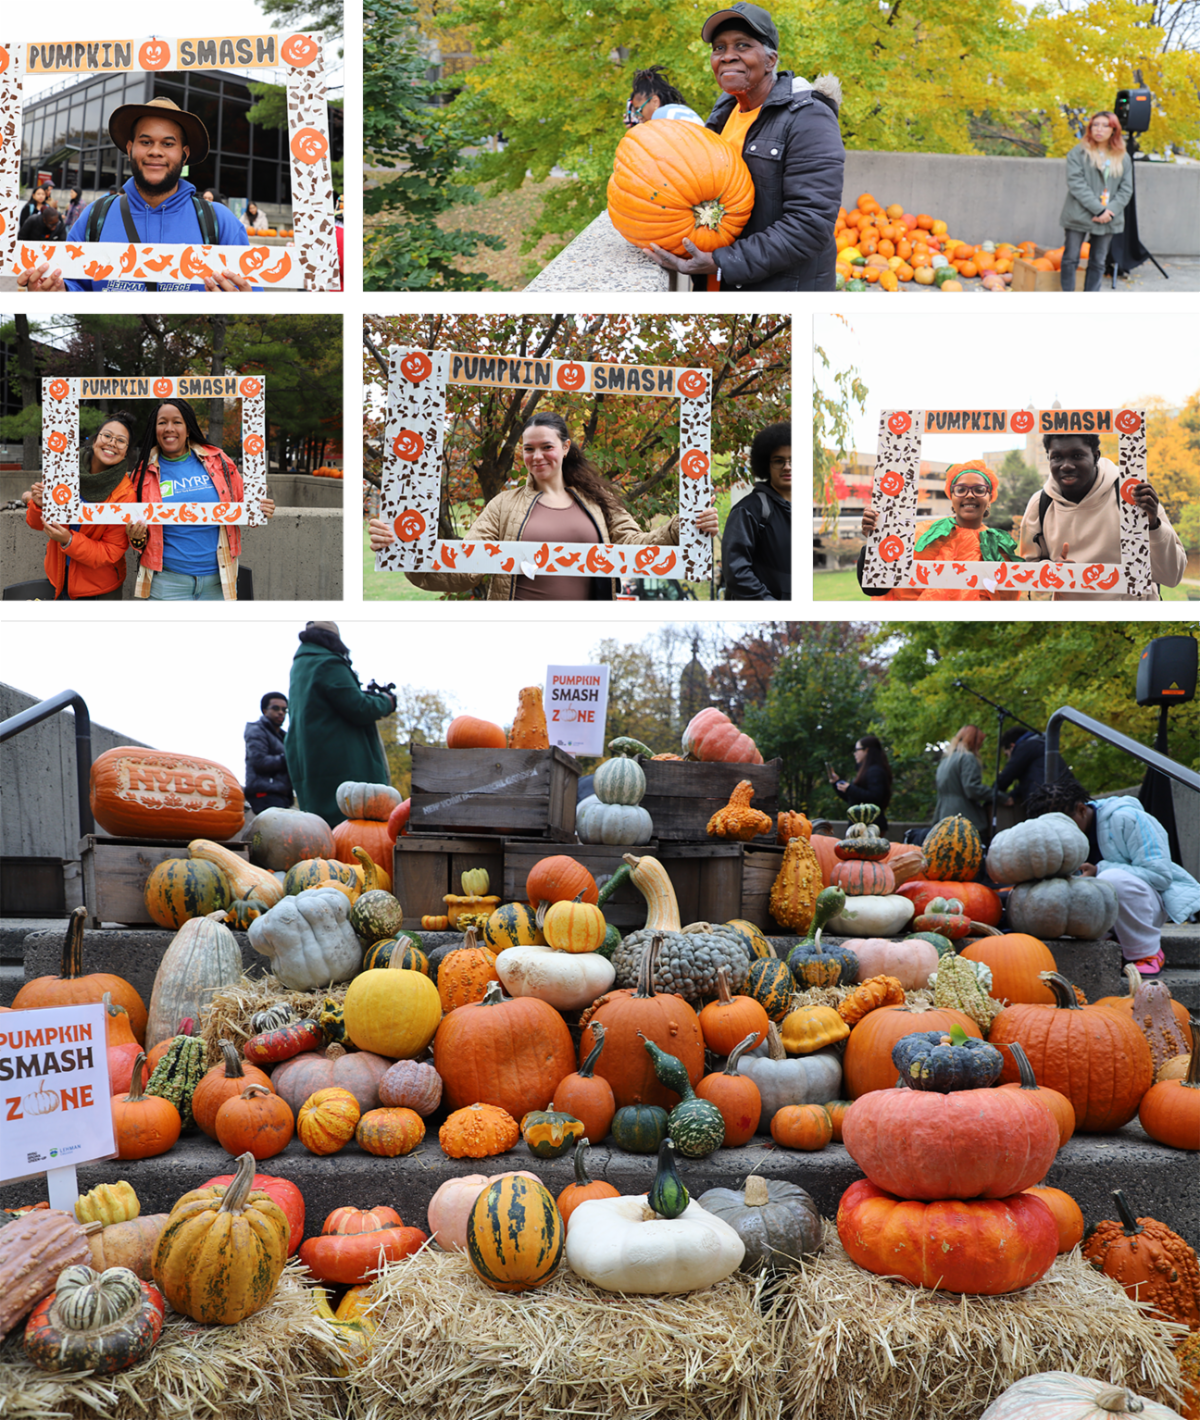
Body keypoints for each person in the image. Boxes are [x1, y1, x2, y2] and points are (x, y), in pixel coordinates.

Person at [369, 412, 719, 602]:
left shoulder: (598, 501)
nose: (537, 456)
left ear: (565, 448)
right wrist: (408, 552)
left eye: (546, 447)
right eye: (528, 449)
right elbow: (466, 569)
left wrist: (682, 526)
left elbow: (634, 548)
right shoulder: (503, 505)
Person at [640, 4, 844, 292]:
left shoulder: (809, 117)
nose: (727, 56)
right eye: (718, 48)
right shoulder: (725, 108)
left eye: (742, 45)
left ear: (771, 59)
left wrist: (723, 261)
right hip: (718, 280)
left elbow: (810, 224)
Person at [16, 97, 268, 294]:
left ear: (185, 154)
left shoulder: (219, 222)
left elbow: (252, 290)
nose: (155, 152)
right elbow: (73, 285)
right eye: (145, 142)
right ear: (130, 148)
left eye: (168, 144)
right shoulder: (94, 217)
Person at [1027, 773, 1200, 975]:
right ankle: (1111, 942)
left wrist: (1100, 870)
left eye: (1063, 826)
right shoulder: (1059, 842)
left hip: (1148, 903)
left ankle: (1146, 952)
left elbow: (1160, 876)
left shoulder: (1128, 819)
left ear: (1082, 810)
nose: (1058, 835)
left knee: (1111, 879)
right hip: (1101, 912)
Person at [123, 398, 276, 601]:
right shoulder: (142, 473)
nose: (169, 428)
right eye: (162, 422)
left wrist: (260, 509)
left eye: (177, 422)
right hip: (168, 584)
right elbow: (138, 536)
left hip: (219, 583)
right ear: (154, 429)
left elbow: (243, 505)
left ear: (188, 428)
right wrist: (136, 536)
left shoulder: (219, 460)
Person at [1019, 433, 1185, 601]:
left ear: (1096, 456)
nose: (1066, 466)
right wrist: (1052, 571)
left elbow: (1172, 576)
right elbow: (1026, 573)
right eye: (1056, 457)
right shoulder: (1040, 504)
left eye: (1077, 455)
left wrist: (1153, 525)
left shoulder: (1130, 494)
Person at [859, 458, 1023, 601]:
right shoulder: (918, 532)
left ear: (990, 498)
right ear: (951, 496)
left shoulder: (1000, 549)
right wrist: (876, 543)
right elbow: (875, 587)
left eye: (979, 490)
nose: (970, 495)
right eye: (961, 489)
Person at [284, 623, 397, 827]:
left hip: (311, 761)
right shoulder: (328, 663)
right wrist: (385, 702)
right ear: (333, 639)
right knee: (353, 827)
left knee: (321, 830)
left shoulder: (300, 667)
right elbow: (359, 707)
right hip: (341, 763)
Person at [21, 412, 140, 601]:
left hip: (99, 589)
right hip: (58, 578)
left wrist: (69, 540)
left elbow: (111, 551)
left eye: (120, 441)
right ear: (95, 440)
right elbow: (35, 524)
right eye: (107, 436)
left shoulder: (125, 494)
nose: (111, 443)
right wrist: (39, 504)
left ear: (126, 451)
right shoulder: (63, 470)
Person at [1059, 113, 1133, 294]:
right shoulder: (1078, 153)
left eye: (1105, 125)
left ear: (1113, 130)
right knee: (1070, 258)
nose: (1099, 129)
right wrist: (1099, 209)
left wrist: (1109, 211)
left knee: (1098, 261)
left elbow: (1126, 190)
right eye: (1095, 125)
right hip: (1079, 213)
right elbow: (1076, 184)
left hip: (1108, 217)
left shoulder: (1122, 157)